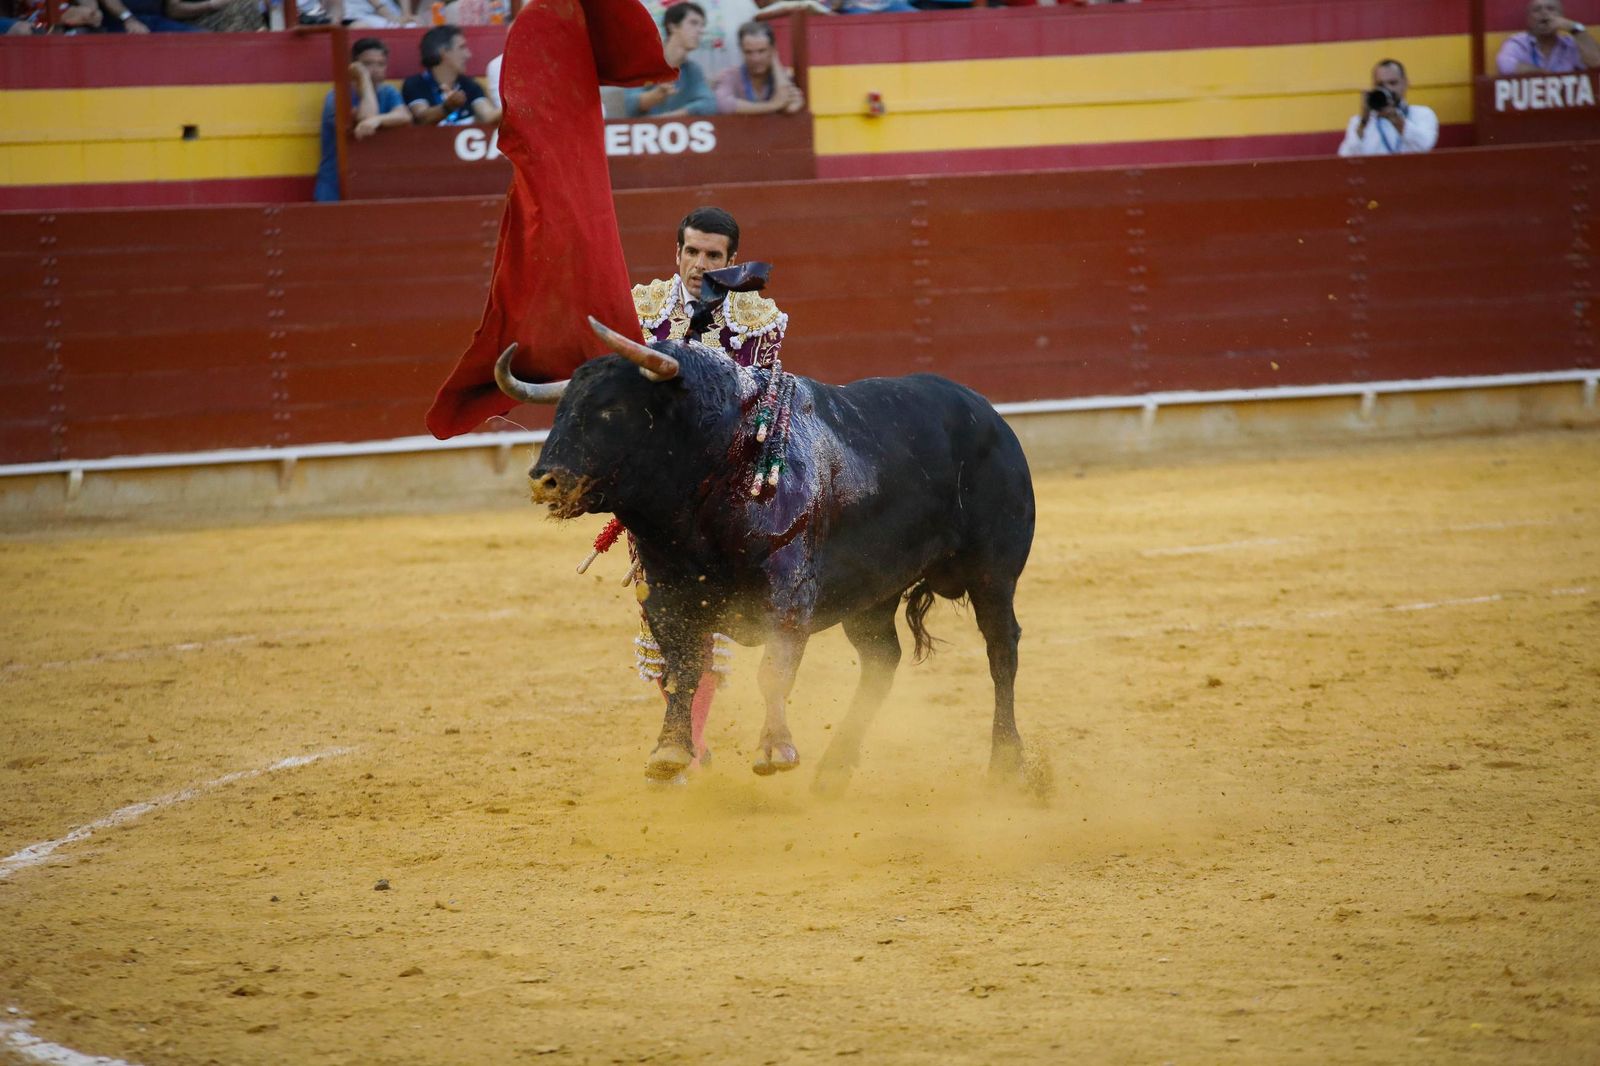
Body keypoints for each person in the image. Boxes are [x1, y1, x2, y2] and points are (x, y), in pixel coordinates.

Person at [628, 206, 788, 770]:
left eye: (713, 256)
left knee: (708, 618)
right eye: (691, 252)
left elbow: (758, 409)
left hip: (727, 496)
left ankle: (689, 744)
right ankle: (692, 740)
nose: (699, 264)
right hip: (657, 497)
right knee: (665, 622)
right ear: (676, 253)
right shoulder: (642, 308)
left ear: (731, 260)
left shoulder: (758, 318)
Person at [315, 38, 412, 202]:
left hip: (374, 184)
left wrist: (378, 120)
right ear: (353, 67)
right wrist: (364, 79)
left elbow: (404, 116)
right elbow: (366, 117)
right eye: (367, 64)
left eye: (381, 64)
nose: (374, 69)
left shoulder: (388, 92)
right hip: (336, 185)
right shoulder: (337, 97)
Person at [624, 2, 717, 118]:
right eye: (693, 23)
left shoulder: (693, 70)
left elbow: (710, 104)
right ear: (672, 26)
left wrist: (670, 117)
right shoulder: (643, 64)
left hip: (676, 131)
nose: (700, 31)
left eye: (702, 25)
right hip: (646, 132)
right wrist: (654, 96)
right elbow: (630, 105)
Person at [403, 24, 502, 127]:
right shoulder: (415, 84)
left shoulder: (470, 85)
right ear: (444, 52)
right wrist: (447, 107)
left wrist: (517, 103)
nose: (468, 55)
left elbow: (489, 116)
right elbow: (421, 118)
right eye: (462, 47)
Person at [1337, 59, 1439, 157]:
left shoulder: (1422, 114)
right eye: (1380, 84)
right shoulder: (1359, 121)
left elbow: (1425, 146)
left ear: (1406, 83)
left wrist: (1396, 119)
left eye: (1393, 83)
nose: (1387, 88)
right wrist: (1364, 122)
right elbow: (1346, 157)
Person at [714, 21, 805, 115]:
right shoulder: (730, 75)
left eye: (761, 51)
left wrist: (776, 62)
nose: (755, 59)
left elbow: (791, 107)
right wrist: (773, 105)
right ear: (741, 51)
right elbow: (721, 104)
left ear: (772, 49)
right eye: (749, 52)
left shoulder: (783, 76)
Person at [1497, 0, 1599, 74]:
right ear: (1528, 20)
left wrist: (1574, 28)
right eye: (1537, 10)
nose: (1544, 13)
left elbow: (1597, 62)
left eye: (1551, 9)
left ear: (1561, 17)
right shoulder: (1517, 43)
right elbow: (1505, 66)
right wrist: (1549, 78)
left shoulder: (1570, 45)